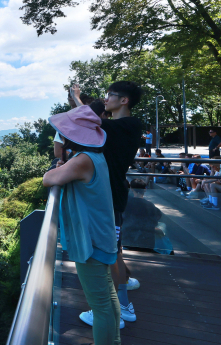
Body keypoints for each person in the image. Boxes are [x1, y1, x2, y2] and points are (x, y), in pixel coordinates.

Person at [43, 105, 121, 343]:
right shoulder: (91, 156)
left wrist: (60, 169)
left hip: (91, 240)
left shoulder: (82, 160)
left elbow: (48, 179)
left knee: (100, 306)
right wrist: (65, 166)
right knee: (107, 296)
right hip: (101, 233)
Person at [72, 81, 143, 326]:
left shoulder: (127, 124)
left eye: (110, 95)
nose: (105, 99)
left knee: (110, 254)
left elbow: (84, 118)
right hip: (112, 195)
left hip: (110, 197)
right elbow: (88, 118)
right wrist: (78, 99)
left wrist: (76, 97)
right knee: (115, 252)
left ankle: (119, 309)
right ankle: (122, 304)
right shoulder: (120, 126)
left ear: (124, 100)